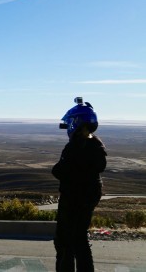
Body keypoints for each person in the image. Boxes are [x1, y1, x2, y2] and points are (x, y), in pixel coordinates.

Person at [52, 97, 107, 272]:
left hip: (72, 199)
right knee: (80, 239)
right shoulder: (97, 145)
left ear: (76, 122)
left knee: (65, 242)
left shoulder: (75, 147)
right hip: (88, 197)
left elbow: (58, 171)